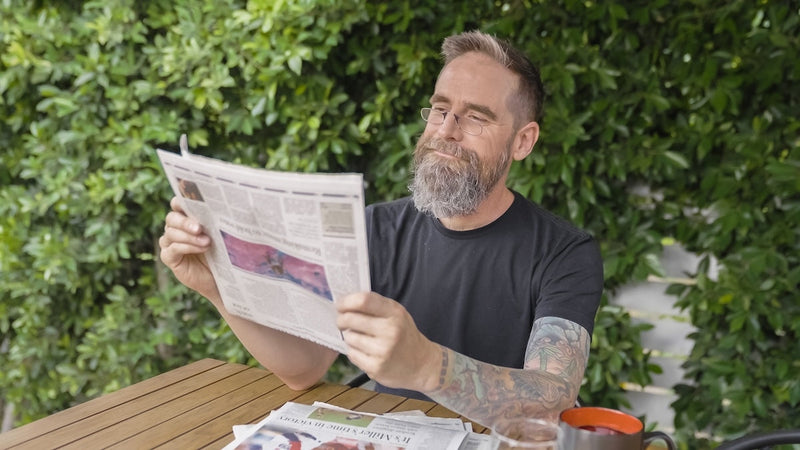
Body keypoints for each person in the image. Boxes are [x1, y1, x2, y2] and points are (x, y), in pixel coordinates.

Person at [159, 30, 603, 427]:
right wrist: (218, 286)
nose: (446, 130)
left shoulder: (565, 253)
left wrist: (429, 366)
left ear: (522, 140)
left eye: (475, 117)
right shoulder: (374, 229)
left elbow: (553, 397)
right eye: (440, 109)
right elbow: (304, 369)